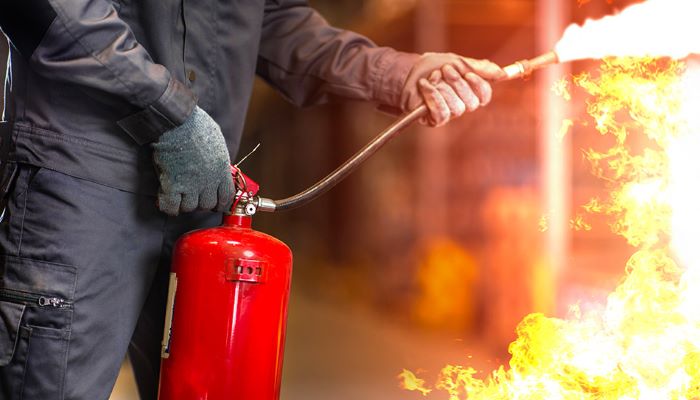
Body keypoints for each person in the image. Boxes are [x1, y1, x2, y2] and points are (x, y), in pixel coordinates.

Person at [0, 1, 505, 399]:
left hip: (201, 194)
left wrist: (398, 73)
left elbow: (275, 20)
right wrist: (165, 110)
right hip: (82, 181)